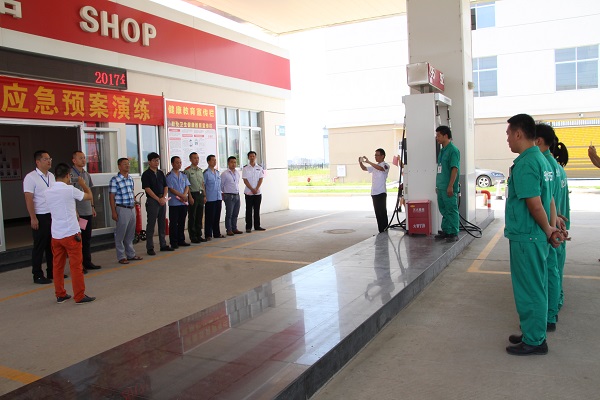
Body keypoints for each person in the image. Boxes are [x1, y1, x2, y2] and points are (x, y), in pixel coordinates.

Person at [504, 113, 561, 356]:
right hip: (533, 235)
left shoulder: (527, 163)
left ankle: (536, 340)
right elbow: (549, 199)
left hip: (527, 236)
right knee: (535, 286)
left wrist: (548, 229)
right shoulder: (541, 159)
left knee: (529, 289)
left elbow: (535, 204)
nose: (507, 139)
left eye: (508, 134)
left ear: (518, 134)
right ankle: (532, 332)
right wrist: (550, 227)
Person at [44, 163, 95, 304]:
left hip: (56, 234)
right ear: (68, 175)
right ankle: (79, 295)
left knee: (57, 266)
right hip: (71, 234)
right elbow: (89, 196)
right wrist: (83, 184)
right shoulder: (70, 190)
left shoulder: (48, 191)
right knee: (76, 266)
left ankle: (60, 294)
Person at [535, 123, 565, 332]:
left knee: (549, 271)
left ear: (537, 140)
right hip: (556, 224)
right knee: (553, 270)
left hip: (551, 227)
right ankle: (553, 309)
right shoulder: (554, 164)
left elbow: (548, 201)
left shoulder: (544, 164)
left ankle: (549, 315)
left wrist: (551, 227)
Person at [23, 150, 56, 284]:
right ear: (38, 162)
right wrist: (33, 217)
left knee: (52, 245)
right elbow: (28, 199)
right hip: (40, 215)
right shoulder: (31, 177)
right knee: (39, 246)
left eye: (50, 159)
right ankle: (37, 274)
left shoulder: (51, 176)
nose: (49, 161)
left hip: (52, 215)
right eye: (45, 159)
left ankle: (52, 271)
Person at [71, 151, 101, 273]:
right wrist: (75, 211)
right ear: (74, 160)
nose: (83, 160)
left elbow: (89, 191)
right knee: (79, 240)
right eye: (80, 158)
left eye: (84, 158)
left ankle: (87, 262)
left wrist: (92, 206)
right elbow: (70, 196)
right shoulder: (71, 175)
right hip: (79, 213)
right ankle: (79, 265)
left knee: (87, 238)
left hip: (87, 211)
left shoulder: (86, 174)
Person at [109, 158, 142, 264]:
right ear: (119, 166)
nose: (127, 166)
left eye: (128, 164)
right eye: (124, 164)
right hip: (122, 209)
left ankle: (131, 254)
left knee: (130, 234)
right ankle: (121, 256)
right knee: (120, 234)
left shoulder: (130, 179)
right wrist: (113, 211)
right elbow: (111, 196)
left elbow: (131, 192)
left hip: (131, 208)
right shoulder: (115, 180)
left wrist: (135, 202)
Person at [141, 152, 174, 255]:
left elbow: (165, 186)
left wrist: (163, 197)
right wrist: (157, 199)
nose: (156, 162)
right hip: (152, 200)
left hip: (162, 199)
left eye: (158, 160)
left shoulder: (160, 173)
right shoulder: (146, 174)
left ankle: (163, 244)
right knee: (151, 224)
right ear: (149, 162)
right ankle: (150, 247)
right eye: (154, 160)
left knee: (162, 223)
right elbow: (147, 188)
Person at [433, 126, 460, 242]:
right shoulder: (442, 151)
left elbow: (454, 168)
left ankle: (453, 232)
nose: (437, 138)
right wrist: (438, 186)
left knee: (451, 210)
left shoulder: (453, 150)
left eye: (438, 135)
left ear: (445, 136)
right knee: (444, 210)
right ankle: (446, 230)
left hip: (448, 187)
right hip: (441, 186)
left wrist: (450, 186)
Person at [359, 148, 390, 233]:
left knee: (382, 212)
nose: (375, 157)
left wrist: (368, 161)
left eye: (377, 155)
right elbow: (364, 168)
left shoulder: (386, 165)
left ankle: (385, 230)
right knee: (377, 213)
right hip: (374, 193)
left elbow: (381, 168)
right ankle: (380, 231)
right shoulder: (374, 167)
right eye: (375, 155)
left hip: (381, 192)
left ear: (382, 156)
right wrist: (360, 162)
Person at [166, 156, 191, 248]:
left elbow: (187, 186)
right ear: (172, 164)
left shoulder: (183, 175)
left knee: (182, 222)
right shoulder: (169, 176)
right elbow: (171, 189)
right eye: (177, 162)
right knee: (173, 223)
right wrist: (182, 196)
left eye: (180, 162)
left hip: (183, 203)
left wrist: (184, 195)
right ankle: (174, 241)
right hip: (174, 203)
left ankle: (181, 240)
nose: (179, 164)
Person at [183, 152, 207, 243]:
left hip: (200, 194)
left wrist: (204, 195)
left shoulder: (200, 170)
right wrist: (190, 197)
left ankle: (198, 234)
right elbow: (187, 185)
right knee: (192, 216)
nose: (196, 160)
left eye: (197, 158)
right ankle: (193, 236)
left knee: (199, 215)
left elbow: (202, 184)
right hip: (193, 194)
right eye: (194, 158)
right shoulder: (187, 171)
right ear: (190, 159)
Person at [242, 151, 266, 233]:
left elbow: (261, 179)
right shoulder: (245, 168)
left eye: (253, 156)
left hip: (257, 193)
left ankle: (257, 226)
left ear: (255, 157)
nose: (252, 157)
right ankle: (248, 227)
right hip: (248, 192)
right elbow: (245, 180)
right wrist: (252, 189)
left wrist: (256, 188)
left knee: (257, 210)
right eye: (250, 156)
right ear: (248, 157)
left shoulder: (259, 167)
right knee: (248, 210)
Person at [221, 156, 243, 236]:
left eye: (235, 162)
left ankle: (234, 228)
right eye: (231, 162)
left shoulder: (237, 173)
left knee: (235, 213)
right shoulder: (224, 174)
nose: (233, 164)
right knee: (229, 213)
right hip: (229, 195)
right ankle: (229, 229)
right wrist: (224, 194)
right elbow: (221, 185)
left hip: (236, 195)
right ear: (228, 163)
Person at [203, 154, 224, 240]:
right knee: (209, 217)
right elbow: (203, 185)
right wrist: (204, 196)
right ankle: (208, 234)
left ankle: (216, 233)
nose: (214, 162)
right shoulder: (206, 173)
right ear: (208, 162)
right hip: (210, 198)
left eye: (215, 160)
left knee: (217, 216)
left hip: (218, 197)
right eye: (212, 160)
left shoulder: (217, 172)